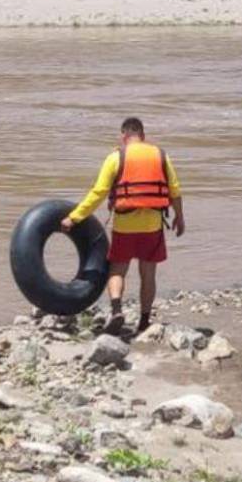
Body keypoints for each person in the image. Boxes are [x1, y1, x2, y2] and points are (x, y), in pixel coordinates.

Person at [62, 117, 184, 335]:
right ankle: (144, 321)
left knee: (118, 269)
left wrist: (74, 217)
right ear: (143, 136)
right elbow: (174, 190)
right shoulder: (161, 155)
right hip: (152, 226)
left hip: (125, 226)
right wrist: (179, 217)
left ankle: (117, 310)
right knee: (148, 274)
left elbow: (98, 193)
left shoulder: (115, 157)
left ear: (123, 136)